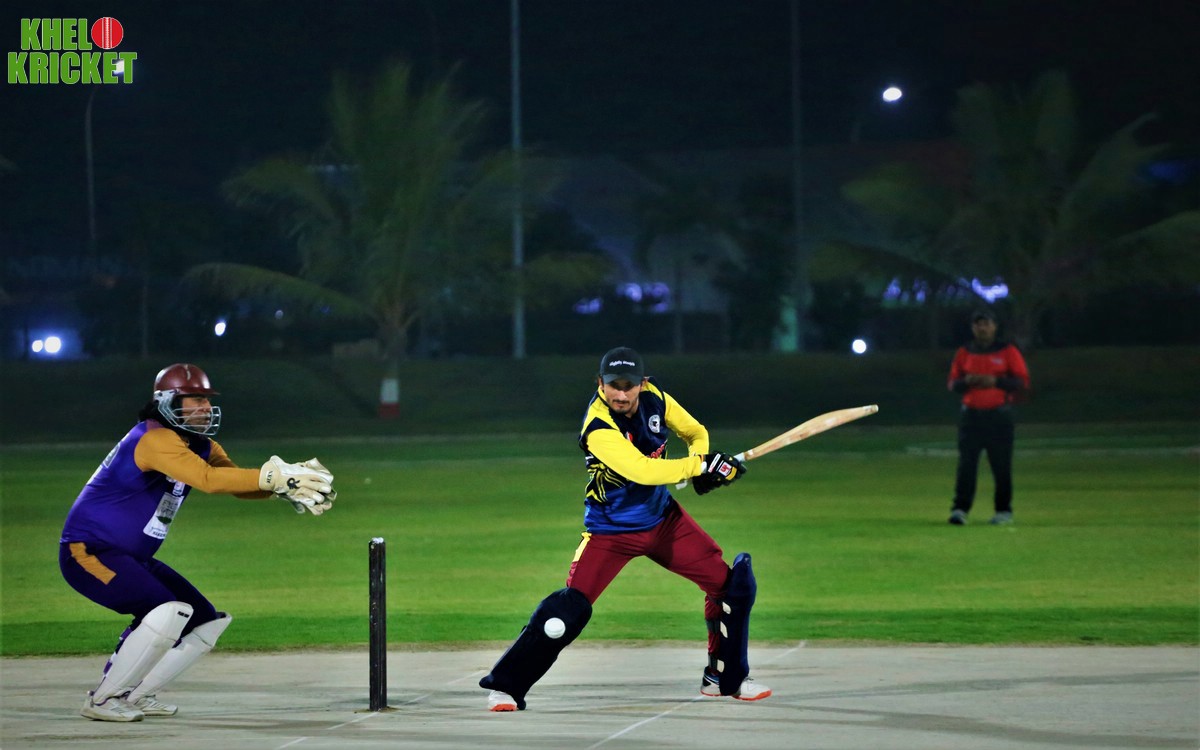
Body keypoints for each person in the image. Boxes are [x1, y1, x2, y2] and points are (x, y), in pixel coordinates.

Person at [479, 346, 771, 711]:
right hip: (610, 532)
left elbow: (695, 431)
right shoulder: (598, 426)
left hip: (664, 521)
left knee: (732, 588)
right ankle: (505, 686)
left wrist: (702, 462)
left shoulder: (655, 396)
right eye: (612, 385)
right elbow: (642, 471)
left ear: (641, 384)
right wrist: (699, 467)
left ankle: (724, 678)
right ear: (600, 383)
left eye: (628, 385)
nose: (620, 393)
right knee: (565, 614)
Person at [59, 363, 338, 722]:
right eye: (195, 399)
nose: (205, 407)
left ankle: (138, 694)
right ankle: (103, 699)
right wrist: (273, 478)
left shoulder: (201, 445)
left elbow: (235, 482)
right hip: (88, 551)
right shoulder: (154, 438)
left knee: (204, 620)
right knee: (164, 610)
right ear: (167, 401)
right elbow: (207, 479)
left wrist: (283, 487)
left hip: (131, 556)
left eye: (207, 400)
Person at [946, 309, 1031, 525]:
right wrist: (968, 381)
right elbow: (953, 383)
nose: (982, 328)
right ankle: (960, 509)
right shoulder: (965, 352)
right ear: (973, 328)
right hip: (971, 417)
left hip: (998, 416)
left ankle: (1003, 510)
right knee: (966, 465)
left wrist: (996, 382)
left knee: (1001, 465)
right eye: (978, 324)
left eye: (986, 324)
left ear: (995, 327)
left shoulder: (1007, 351)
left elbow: (1021, 381)